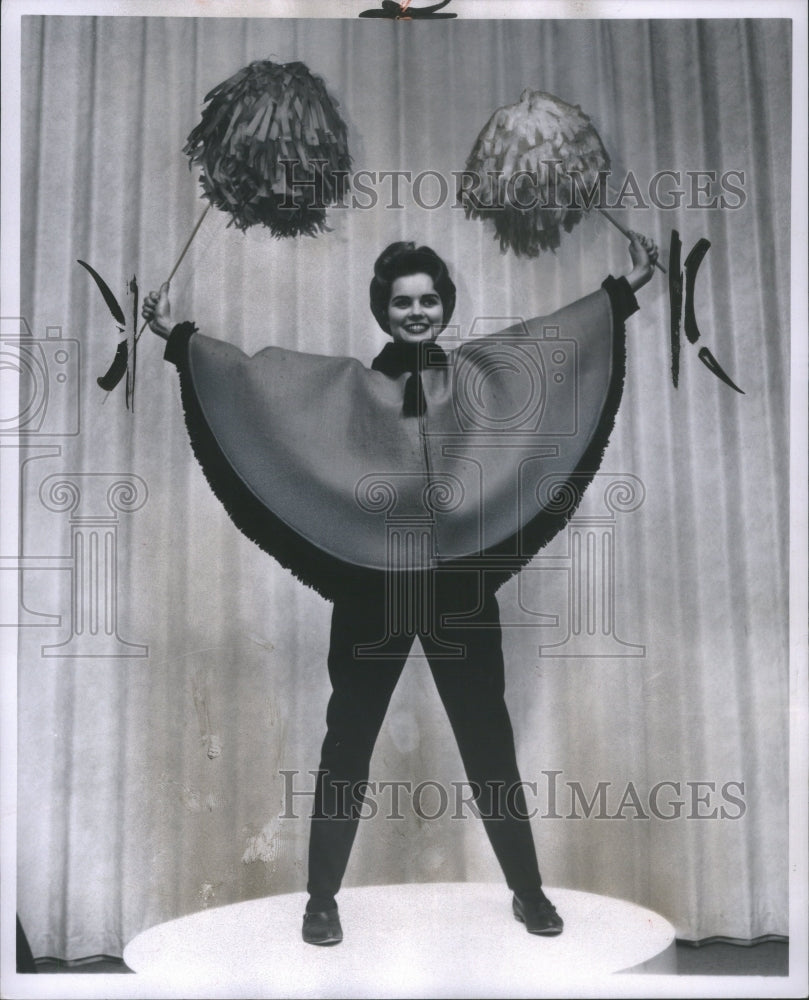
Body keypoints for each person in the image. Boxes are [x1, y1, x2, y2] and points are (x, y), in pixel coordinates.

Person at [143, 232, 658, 947]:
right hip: (371, 588)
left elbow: (556, 344)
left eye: (427, 300)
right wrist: (179, 338)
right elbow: (262, 385)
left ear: (444, 307)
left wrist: (622, 293)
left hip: (458, 587)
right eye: (400, 302)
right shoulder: (350, 389)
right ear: (382, 313)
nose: (415, 311)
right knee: (346, 743)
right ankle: (320, 901)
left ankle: (528, 893)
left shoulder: (482, 379)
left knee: (488, 742)